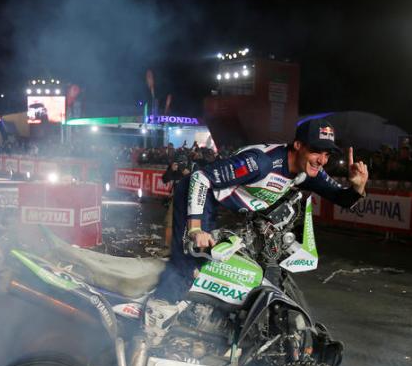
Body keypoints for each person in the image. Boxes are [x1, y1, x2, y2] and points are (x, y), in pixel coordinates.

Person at [147, 118, 369, 328]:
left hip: (234, 208)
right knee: (193, 255)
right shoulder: (260, 163)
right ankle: (159, 309)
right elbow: (200, 179)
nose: (322, 160)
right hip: (202, 194)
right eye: (316, 151)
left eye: (327, 154)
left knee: (251, 264)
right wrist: (195, 229)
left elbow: (341, 198)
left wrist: (357, 187)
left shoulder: (309, 172)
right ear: (298, 145)